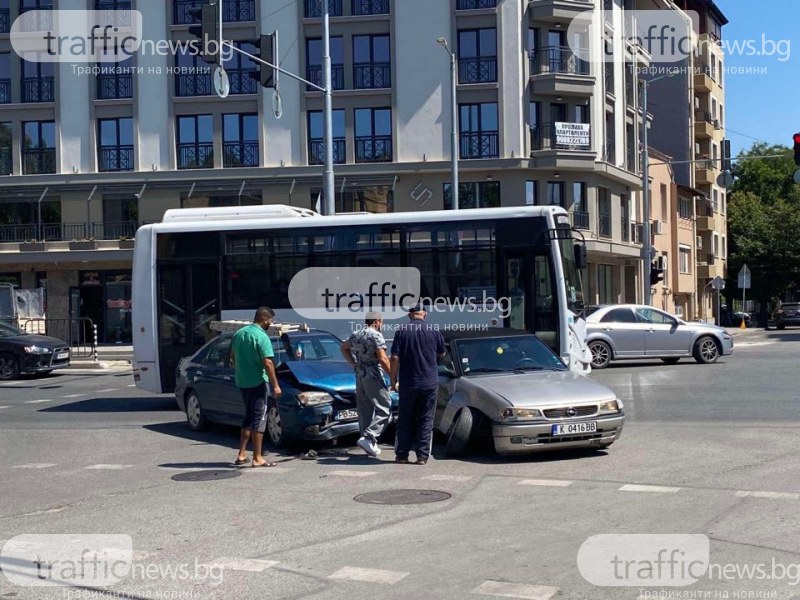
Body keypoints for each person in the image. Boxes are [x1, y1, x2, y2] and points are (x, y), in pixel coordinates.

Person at [390, 304, 446, 465]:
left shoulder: (401, 331)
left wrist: (393, 379)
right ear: (425, 315)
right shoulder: (434, 330)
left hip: (408, 382)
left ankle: (402, 455)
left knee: (405, 418)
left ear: (410, 315)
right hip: (429, 382)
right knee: (426, 419)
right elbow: (442, 353)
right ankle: (422, 456)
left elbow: (394, 358)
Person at [231, 306, 282, 467]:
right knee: (259, 419)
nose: (271, 324)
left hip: (242, 381)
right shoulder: (261, 336)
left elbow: (233, 356)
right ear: (264, 319)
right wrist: (276, 385)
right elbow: (267, 363)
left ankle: (241, 454)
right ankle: (257, 457)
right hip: (258, 382)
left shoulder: (239, 334)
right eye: (270, 320)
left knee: (248, 417)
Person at [340, 312, 392, 458]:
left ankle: (368, 442)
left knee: (365, 408)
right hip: (373, 374)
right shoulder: (375, 335)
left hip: (360, 375)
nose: (382, 325)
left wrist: (353, 363)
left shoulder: (356, 333)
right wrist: (393, 377)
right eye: (381, 322)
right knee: (385, 407)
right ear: (377, 322)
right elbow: (382, 358)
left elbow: (343, 348)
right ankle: (369, 437)